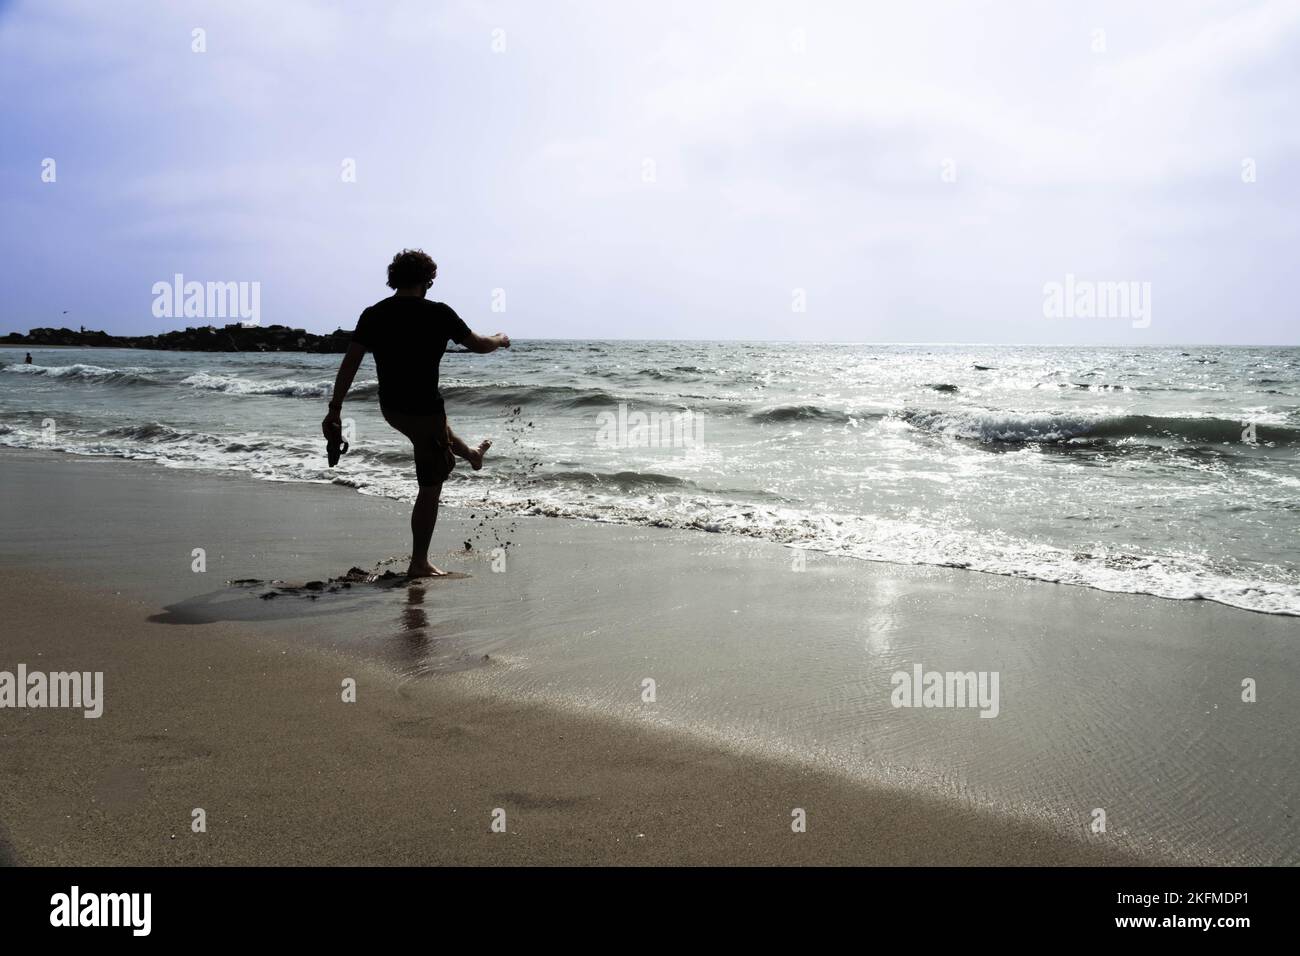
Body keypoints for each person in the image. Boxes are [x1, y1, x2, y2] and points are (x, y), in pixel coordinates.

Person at [323, 249, 509, 577]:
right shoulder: (439, 313)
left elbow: (350, 362)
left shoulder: (374, 314)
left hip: (392, 408)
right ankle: (419, 563)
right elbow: (479, 345)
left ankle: (474, 455)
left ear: (394, 278)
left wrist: (335, 409)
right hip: (425, 409)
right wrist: (500, 338)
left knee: (439, 436)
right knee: (430, 485)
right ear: (429, 280)